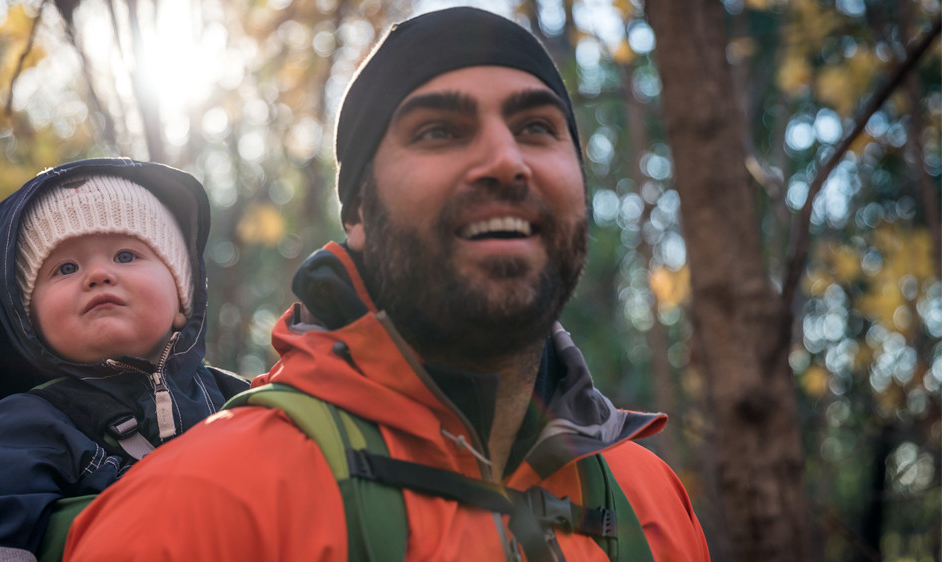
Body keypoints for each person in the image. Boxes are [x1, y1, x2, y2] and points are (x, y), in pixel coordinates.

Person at [64, 8, 710, 561]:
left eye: (536, 128)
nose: (506, 162)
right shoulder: (198, 509)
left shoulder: (650, 501)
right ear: (358, 214)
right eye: (439, 132)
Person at [0, 158, 249, 561]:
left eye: (125, 256)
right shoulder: (16, 432)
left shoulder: (240, 402)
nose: (98, 275)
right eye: (66, 268)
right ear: (31, 325)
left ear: (181, 299)